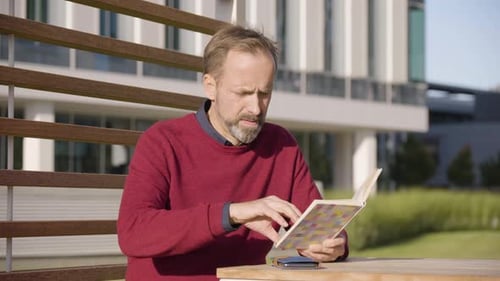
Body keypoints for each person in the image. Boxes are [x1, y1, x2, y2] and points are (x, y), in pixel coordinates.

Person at [117, 25, 348, 281]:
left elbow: (318, 225)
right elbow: (133, 233)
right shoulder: (162, 141)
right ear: (210, 86)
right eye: (243, 93)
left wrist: (333, 245)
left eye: (264, 94)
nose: (256, 108)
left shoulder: (282, 145)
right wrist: (232, 214)